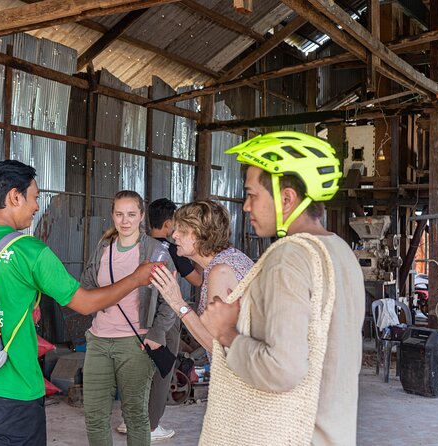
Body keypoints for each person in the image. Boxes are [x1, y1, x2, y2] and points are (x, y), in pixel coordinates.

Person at [0, 161, 157, 446]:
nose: (36, 207)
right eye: (34, 197)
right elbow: (84, 304)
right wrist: (135, 279)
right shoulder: (30, 251)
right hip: (16, 391)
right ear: (15, 196)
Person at [159, 131, 364, 445]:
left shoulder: (288, 258)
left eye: (252, 195)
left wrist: (227, 333)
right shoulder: (339, 251)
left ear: (286, 198)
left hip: (289, 433)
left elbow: (282, 369)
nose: (245, 206)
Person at [80, 191, 177, 446]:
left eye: (131, 214)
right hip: (99, 341)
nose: (125, 221)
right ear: (112, 215)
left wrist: (156, 333)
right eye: (119, 214)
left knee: (135, 415)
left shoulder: (155, 251)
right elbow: (86, 285)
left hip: (135, 344)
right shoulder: (103, 248)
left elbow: (171, 299)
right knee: (94, 415)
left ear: (141, 216)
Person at [128, 198, 202, 441]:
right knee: (163, 370)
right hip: (163, 318)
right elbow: (197, 281)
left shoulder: (135, 245)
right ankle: (150, 426)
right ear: (169, 224)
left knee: (135, 372)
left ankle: (131, 421)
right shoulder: (172, 249)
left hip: (133, 316)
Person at [150, 200, 253, 354]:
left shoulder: (220, 272)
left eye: (182, 231)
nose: (174, 235)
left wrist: (177, 303)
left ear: (204, 235)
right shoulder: (233, 257)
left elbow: (219, 348)